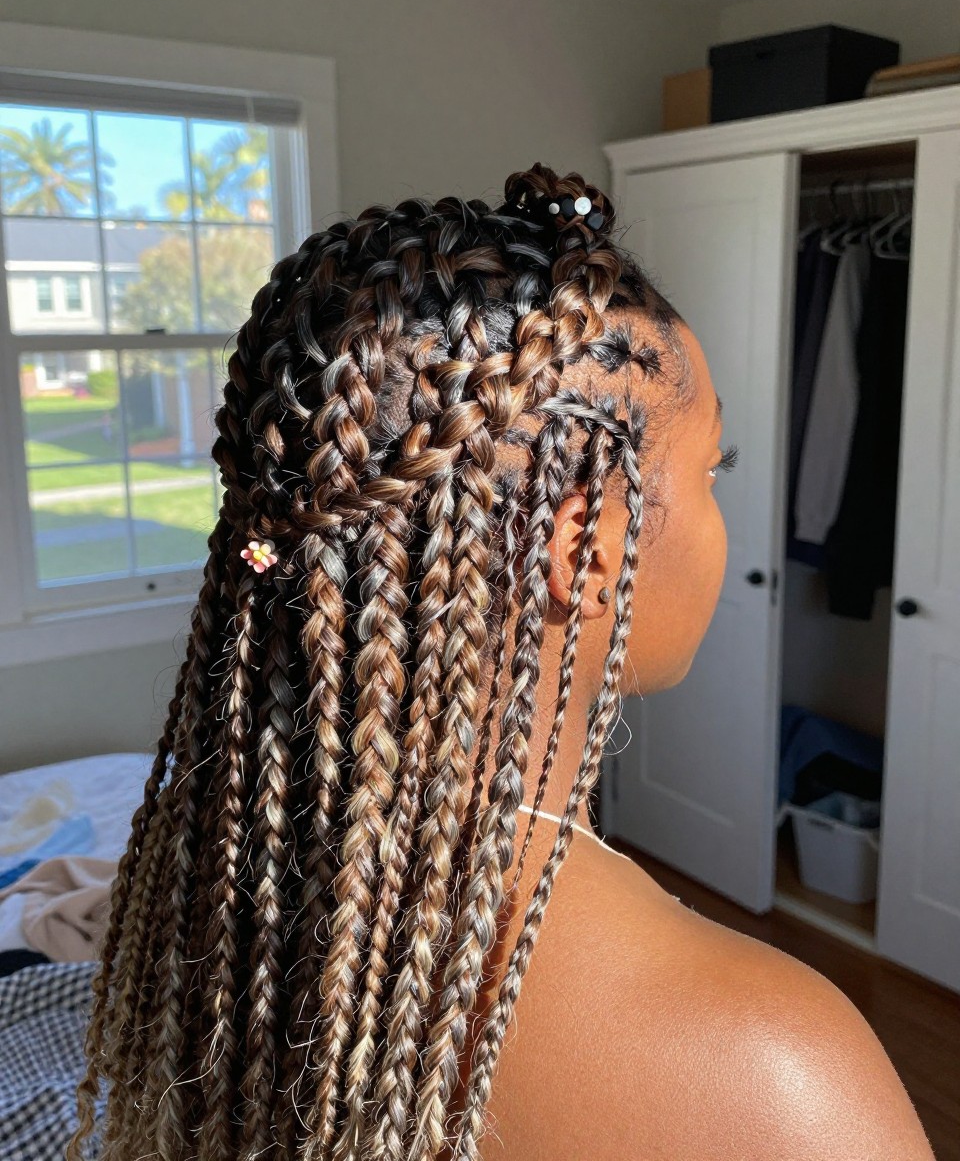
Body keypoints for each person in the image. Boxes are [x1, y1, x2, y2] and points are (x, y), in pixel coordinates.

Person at [65, 164, 934, 1161]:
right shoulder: (777, 1068)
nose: (723, 512)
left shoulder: (207, 859)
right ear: (585, 550)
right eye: (713, 470)